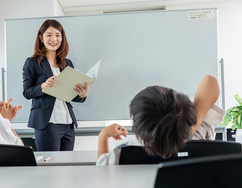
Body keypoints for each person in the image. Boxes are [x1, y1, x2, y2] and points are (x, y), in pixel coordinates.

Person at [97, 75, 225, 165]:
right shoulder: (199, 134)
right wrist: (189, 129)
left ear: (142, 134)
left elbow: (102, 168)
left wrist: (103, 136)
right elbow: (210, 81)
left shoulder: (124, 154)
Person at [22, 19, 88, 151]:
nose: (54, 39)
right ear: (41, 38)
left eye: (58, 35)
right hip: (47, 123)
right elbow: (27, 92)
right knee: (51, 166)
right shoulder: (32, 62)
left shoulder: (67, 63)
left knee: (67, 166)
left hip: (68, 123)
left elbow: (69, 94)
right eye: (49, 35)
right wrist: (43, 86)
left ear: (62, 38)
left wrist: (81, 95)